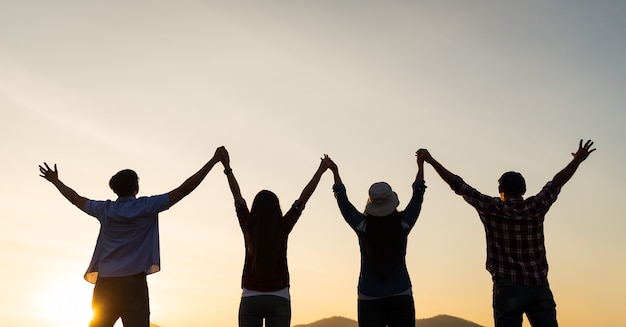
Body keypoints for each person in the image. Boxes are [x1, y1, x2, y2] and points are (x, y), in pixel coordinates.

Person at [39, 146, 226, 327]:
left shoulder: (105, 210)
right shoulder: (147, 206)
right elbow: (185, 189)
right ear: (136, 187)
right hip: (134, 284)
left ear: (115, 189)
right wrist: (213, 161)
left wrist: (56, 181)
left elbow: (75, 199)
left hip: (106, 284)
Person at [417, 139, 596, 327]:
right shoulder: (536, 206)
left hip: (507, 286)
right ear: (524, 190)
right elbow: (557, 182)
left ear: (500, 190)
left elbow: (458, 185)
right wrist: (577, 160)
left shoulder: (492, 208)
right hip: (538, 285)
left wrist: (430, 160)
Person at [219, 148, 331, 327]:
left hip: (250, 296)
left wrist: (227, 168)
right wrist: (320, 171)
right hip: (279, 297)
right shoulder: (282, 227)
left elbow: (237, 196)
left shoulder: (249, 226)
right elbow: (303, 199)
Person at [326, 152, 426, 327]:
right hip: (400, 293)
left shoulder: (363, 227)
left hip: (368, 296)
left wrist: (334, 171)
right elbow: (418, 195)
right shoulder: (402, 224)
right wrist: (421, 165)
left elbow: (343, 203)